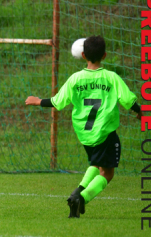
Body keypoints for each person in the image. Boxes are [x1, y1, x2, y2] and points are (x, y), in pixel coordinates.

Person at [25, 35, 141, 218]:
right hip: (105, 132)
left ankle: (77, 192)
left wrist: (38, 101)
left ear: (83, 55)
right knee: (108, 173)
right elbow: (127, 99)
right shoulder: (111, 77)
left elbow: (58, 102)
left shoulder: (75, 79)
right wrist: (139, 111)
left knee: (96, 163)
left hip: (85, 135)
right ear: (104, 55)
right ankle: (83, 197)